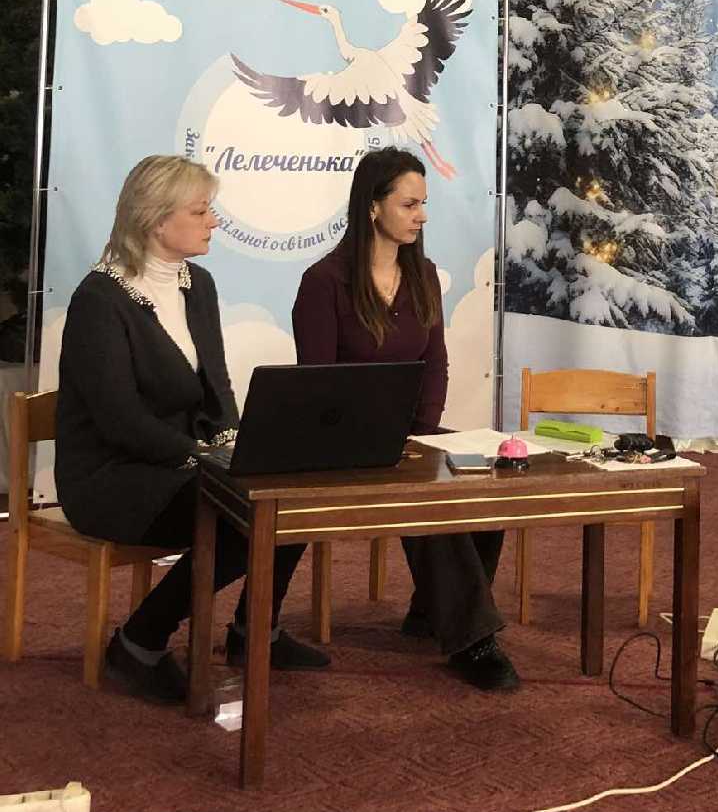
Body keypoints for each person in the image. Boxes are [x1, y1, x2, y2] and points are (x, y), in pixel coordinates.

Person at [56, 155, 328, 704]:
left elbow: (217, 387)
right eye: (201, 211)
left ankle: (255, 632)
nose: (213, 221)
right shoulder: (98, 301)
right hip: (111, 476)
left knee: (289, 490)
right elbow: (119, 420)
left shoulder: (197, 284)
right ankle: (139, 642)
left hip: (182, 463)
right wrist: (201, 457)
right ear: (158, 220)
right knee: (237, 513)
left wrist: (236, 445)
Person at [291, 146, 518, 692]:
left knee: (485, 485)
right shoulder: (324, 282)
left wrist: (422, 432)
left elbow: (434, 364)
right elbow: (317, 386)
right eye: (410, 204)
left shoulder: (423, 276)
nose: (422, 216)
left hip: (410, 433)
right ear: (373, 207)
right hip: (342, 444)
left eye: (424, 204)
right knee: (426, 491)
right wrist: (394, 442)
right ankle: (472, 640)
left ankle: (430, 613)